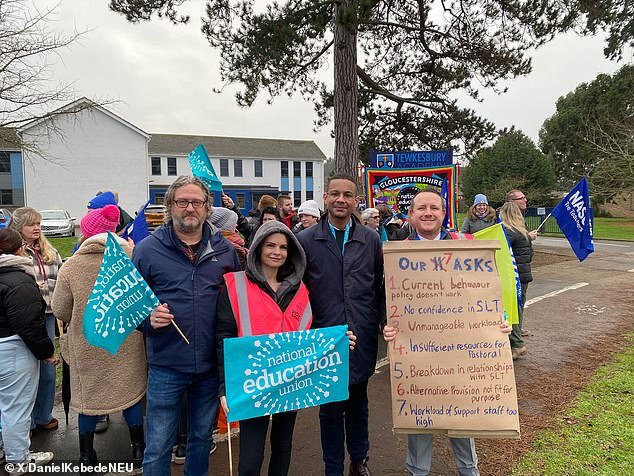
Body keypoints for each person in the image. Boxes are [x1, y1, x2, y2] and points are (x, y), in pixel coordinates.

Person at [383, 188, 511, 476]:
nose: (428, 213)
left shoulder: (466, 246)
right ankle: (418, 471)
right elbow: (384, 296)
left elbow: (489, 291)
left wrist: (500, 321)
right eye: (421, 208)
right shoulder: (397, 251)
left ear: (444, 213)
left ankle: (469, 470)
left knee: (462, 414)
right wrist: (386, 324)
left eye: (434, 208)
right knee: (419, 416)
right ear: (410, 215)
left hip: (462, 350)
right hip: (417, 353)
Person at [132, 176, 240, 475]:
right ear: (170, 206)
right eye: (182, 202)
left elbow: (237, 305)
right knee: (158, 446)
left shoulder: (225, 250)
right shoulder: (147, 250)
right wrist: (148, 320)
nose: (190, 208)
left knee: (201, 439)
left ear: (207, 208)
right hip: (167, 364)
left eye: (197, 202)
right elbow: (131, 307)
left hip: (209, 365)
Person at [297, 174, 385, 476]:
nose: (341, 200)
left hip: (361, 334)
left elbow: (378, 286)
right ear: (325, 198)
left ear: (356, 201)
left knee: (359, 402)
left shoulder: (370, 239)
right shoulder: (307, 240)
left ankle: (359, 460)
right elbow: (297, 291)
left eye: (348, 195)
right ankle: (332, 467)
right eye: (335, 194)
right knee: (331, 409)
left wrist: (380, 321)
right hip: (325, 336)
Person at [50, 204, 146, 470]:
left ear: (87, 233)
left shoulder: (72, 266)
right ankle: (139, 450)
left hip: (88, 344)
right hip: (126, 341)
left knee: (88, 401)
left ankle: (86, 457)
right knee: (130, 395)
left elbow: (60, 309)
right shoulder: (133, 257)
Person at [216, 221, 314, 474]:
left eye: (283, 247)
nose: (277, 252)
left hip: (289, 381)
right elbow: (224, 338)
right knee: (251, 456)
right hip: (252, 382)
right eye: (270, 245)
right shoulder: (235, 285)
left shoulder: (300, 289)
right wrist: (225, 385)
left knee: (283, 446)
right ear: (258, 247)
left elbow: (310, 336)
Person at [0, 228, 57, 474]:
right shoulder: (20, 281)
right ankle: (18, 460)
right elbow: (29, 324)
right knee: (16, 407)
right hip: (12, 349)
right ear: (19, 249)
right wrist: (46, 352)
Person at [9, 208, 63, 432]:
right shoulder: (13, 253)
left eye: (38, 223)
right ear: (18, 227)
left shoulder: (49, 251)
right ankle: (26, 423)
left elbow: (61, 278)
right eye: (31, 224)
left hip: (48, 315)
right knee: (26, 370)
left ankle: (42, 416)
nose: (37, 228)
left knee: (48, 370)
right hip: (23, 317)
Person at [499, 201, 533, 359]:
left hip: (514, 278)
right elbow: (530, 255)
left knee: (511, 312)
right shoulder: (523, 232)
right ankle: (516, 343)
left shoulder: (508, 233)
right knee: (518, 311)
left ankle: (518, 344)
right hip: (524, 275)